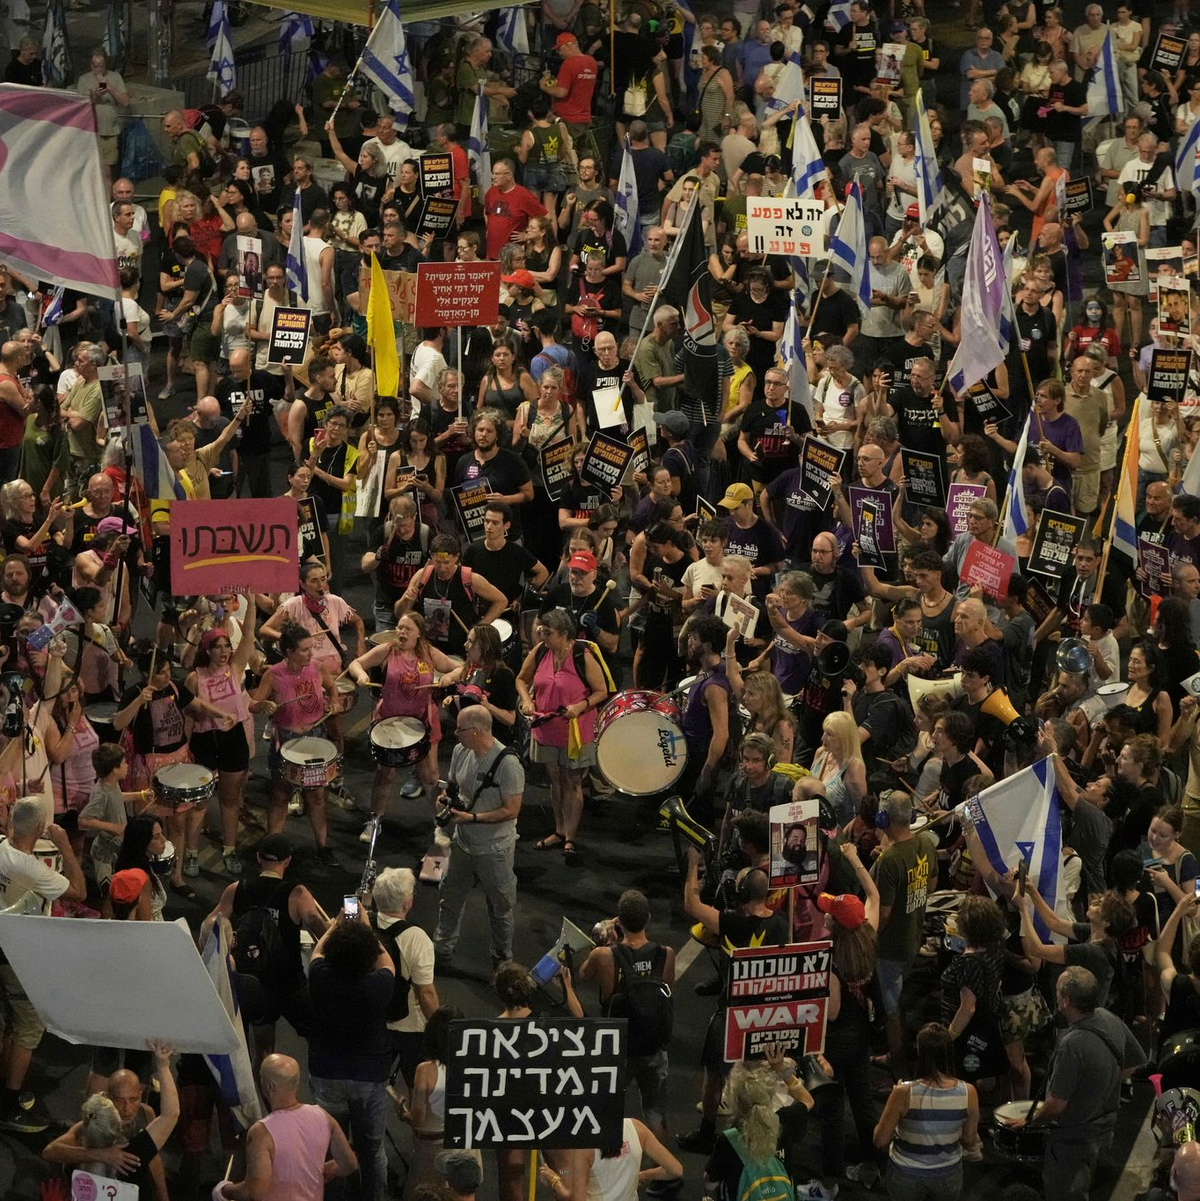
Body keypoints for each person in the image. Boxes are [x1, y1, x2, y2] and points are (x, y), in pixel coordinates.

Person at [1022, 965, 1146, 1201]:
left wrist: (1028, 1121)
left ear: (1066, 1001)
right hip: (1104, 1125)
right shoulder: (1109, 1018)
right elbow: (1134, 1063)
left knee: (1067, 1191)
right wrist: (1100, 1084)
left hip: (1074, 1136)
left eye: (1058, 991)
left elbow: (1056, 1105)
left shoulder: (1071, 1045)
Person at [0, 796, 85, 1131]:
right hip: (15, 953)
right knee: (29, 1025)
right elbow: (78, 890)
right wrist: (65, 846)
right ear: (39, 828)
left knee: (6, 1019)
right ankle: (10, 1103)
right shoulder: (29, 868)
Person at [205, 833, 328, 1064]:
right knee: (320, 1037)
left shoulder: (236, 889)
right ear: (288, 860)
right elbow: (322, 933)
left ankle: (270, 1098)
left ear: (259, 857)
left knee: (263, 1053)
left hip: (255, 984)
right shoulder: (296, 893)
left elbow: (209, 928)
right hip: (290, 983)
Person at [348, 612, 459, 844]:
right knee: (385, 775)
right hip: (390, 720)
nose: (402, 632)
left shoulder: (428, 652)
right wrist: (359, 675)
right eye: (399, 628)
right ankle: (375, 821)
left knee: (430, 777)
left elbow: (460, 668)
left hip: (422, 720)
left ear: (419, 633)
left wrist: (448, 677)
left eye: (408, 629)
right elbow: (356, 663)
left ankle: (439, 824)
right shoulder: (388, 650)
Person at [307, 908, 394, 1201]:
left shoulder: (320, 977)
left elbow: (317, 953)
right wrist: (367, 928)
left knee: (331, 1148)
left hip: (327, 1074)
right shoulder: (377, 985)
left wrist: (335, 925)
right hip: (369, 1077)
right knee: (372, 1150)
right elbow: (388, 964)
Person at [432, 705, 524, 970]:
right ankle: (442, 950)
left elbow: (512, 810)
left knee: (500, 907)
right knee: (449, 897)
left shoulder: (508, 764)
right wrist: (445, 799)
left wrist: (472, 818)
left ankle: (502, 958)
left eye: (459, 729)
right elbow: (453, 786)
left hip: (494, 850)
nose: (455, 734)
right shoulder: (462, 751)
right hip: (462, 843)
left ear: (475, 732)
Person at [516, 608, 609, 862]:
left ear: (565, 634)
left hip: (575, 729)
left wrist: (579, 707)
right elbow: (521, 680)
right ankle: (558, 829)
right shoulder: (542, 651)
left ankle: (570, 835)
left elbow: (601, 691)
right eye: (542, 632)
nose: (542, 637)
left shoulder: (582, 655)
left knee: (573, 780)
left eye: (548, 633)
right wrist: (527, 700)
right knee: (555, 779)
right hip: (546, 725)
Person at [248, 623, 340, 865]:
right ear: (288, 651)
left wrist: (334, 702)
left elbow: (332, 688)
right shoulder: (274, 675)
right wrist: (265, 705)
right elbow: (253, 704)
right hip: (287, 739)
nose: (310, 654)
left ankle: (323, 847)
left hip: (315, 736)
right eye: (304, 650)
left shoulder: (318, 668)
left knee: (317, 796)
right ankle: (272, 848)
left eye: (311, 648)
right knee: (280, 795)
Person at [215, 1052, 357, 1200]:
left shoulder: (261, 1132)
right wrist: (329, 1168)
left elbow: (254, 1192)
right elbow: (350, 1164)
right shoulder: (323, 1116)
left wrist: (224, 1190)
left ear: (270, 1086)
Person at [43, 1040, 178, 1196]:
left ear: (141, 1097)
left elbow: (153, 1157)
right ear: (109, 1099)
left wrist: (164, 1196)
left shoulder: (145, 1115)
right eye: (119, 1100)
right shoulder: (95, 1127)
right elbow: (50, 1152)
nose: (127, 1109)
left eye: (133, 1099)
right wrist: (101, 1155)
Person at [184, 602, 257, 875]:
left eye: (227, 646)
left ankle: (229, 849)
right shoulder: (195, 678)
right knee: (200, 801)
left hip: (233, 739)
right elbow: (189, 717)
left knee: (230, 799)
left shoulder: (236, 669)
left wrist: (251, 599)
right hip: (204, 741)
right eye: (219, 647)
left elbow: (249, 634)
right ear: (208, 650)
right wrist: (183, 750)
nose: (225, 651)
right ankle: (191, 853)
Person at [873, 1023, 982, 1197]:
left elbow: (880, 1140)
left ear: (920, 1053)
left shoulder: (903, 1092)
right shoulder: (969, 1092)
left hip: (906, 1176)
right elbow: (969, 1139)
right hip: (948, 1174)